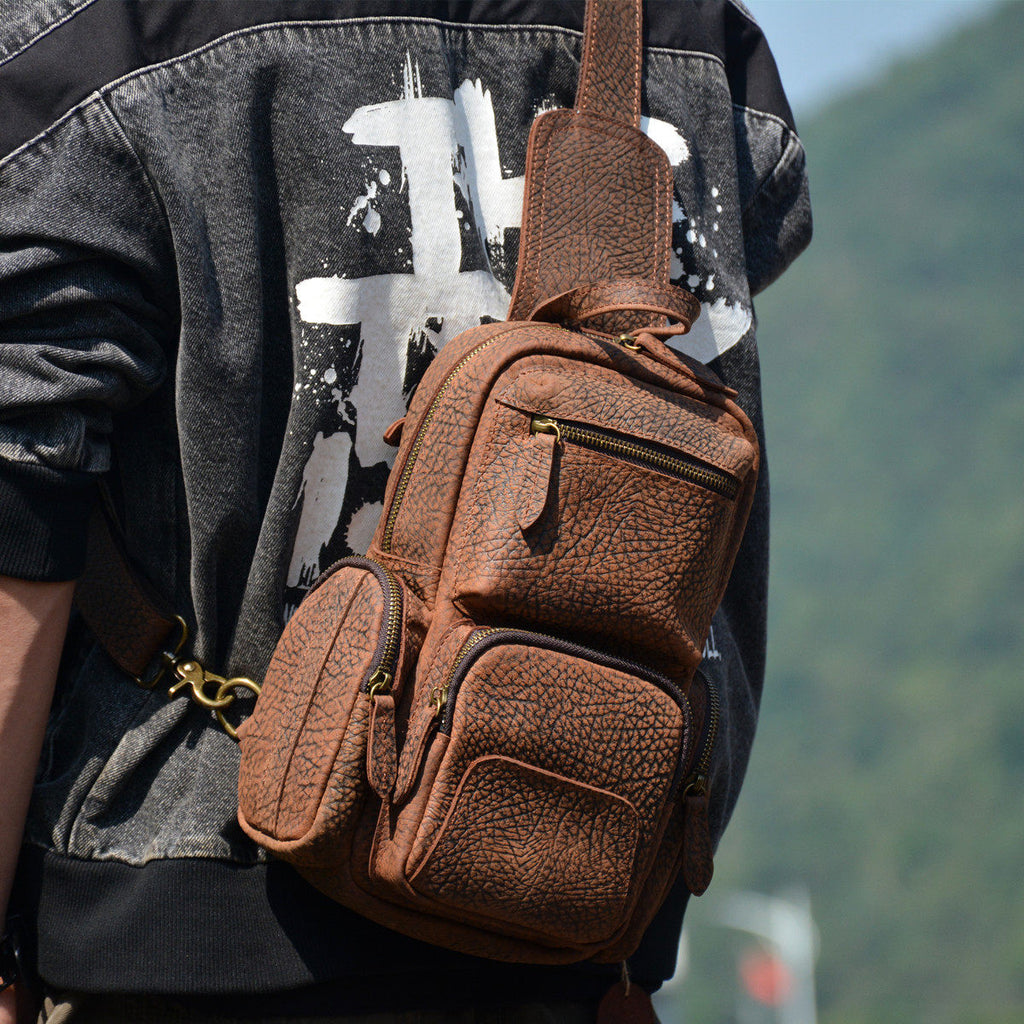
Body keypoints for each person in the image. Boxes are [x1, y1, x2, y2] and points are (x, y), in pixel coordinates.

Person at [0, 2, 811, 1021]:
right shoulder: (700, 46)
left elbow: (22, 491)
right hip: (571, 912)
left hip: (191, 928)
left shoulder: (100, 38)